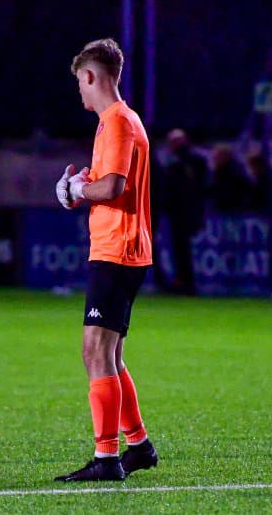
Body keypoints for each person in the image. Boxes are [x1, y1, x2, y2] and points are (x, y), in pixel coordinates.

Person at [52, 38, 157, 482]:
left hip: (117, 250)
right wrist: (78, 186)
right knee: (109, 354)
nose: (79, 89)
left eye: (80, 81)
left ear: (91, 76)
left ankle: (107, 458)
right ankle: (139, 446)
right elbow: (108, 183)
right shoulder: (119, 121)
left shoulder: (116, 122)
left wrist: (80, 189)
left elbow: (112, 187)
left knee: (95, 350)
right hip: (122, 249)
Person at [161, 129, 208, 294]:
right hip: (179, 212)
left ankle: (186, 281)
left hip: (185, 211)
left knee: (184, 248)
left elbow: (197, 187)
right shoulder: (178, 162)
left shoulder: (186, 162)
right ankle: (183, 279)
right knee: (180, 248)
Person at [211, 144, 254, 213]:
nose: (214, 158)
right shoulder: (218, 170)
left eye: (217, 156)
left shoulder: (236, 170)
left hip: (236, 209)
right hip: (223, 208)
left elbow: (246, 187)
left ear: (226, 156)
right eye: (215, 156)